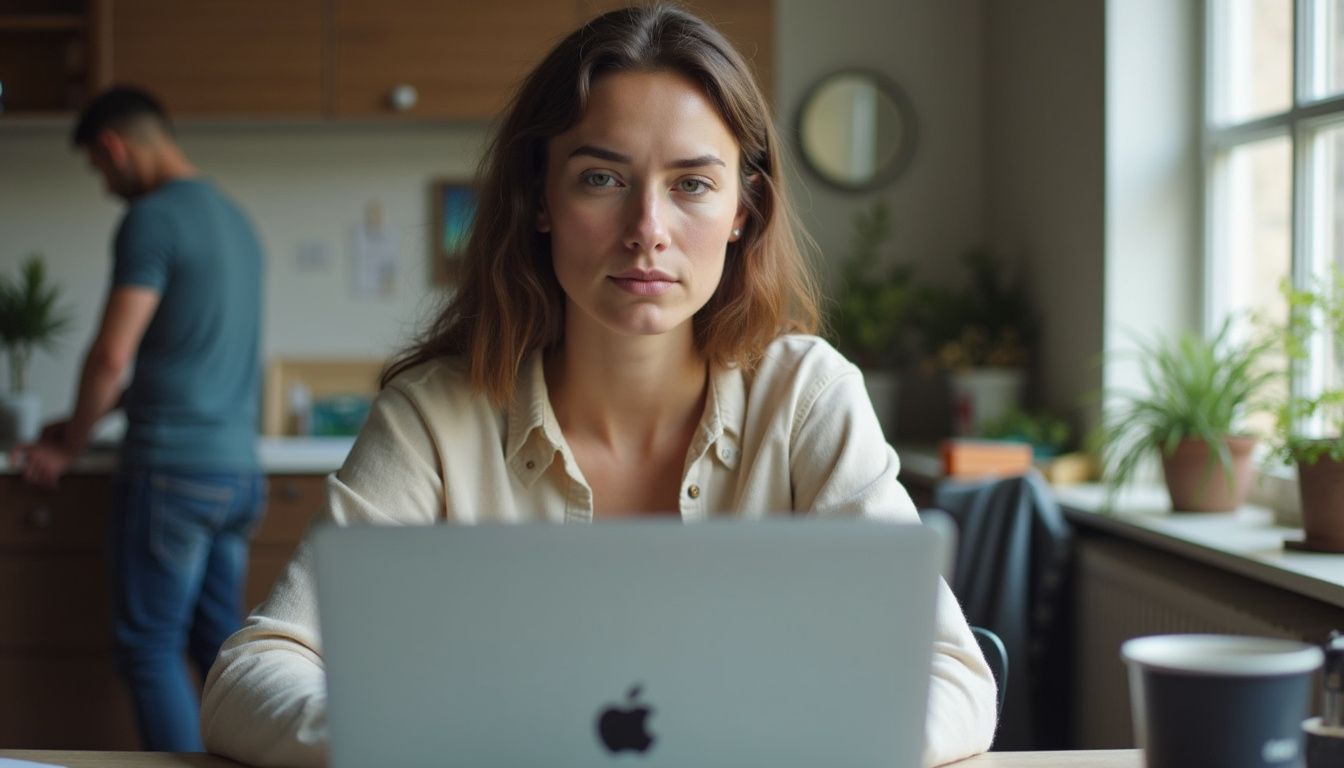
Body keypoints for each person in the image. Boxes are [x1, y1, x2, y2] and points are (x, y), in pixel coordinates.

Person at [200, 6, 996, 766]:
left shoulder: (808, 398)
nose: (647, 227)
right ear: (540, 198)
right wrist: (433, 743)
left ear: (744, 211)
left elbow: (953, 678)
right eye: (602, 179)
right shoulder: (435, 417)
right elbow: (249, 677)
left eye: (692, 184)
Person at [15, 87, 267, 752]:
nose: (105, 186)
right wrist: (80, 421)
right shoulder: (236, 221)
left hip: (173, 475)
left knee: (147, 647)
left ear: (112, 148)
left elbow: (112, 354)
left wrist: (69, 448)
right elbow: (175, 362)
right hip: (237, 473)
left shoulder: (153, 219)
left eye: (99, 171)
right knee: (221, 653)